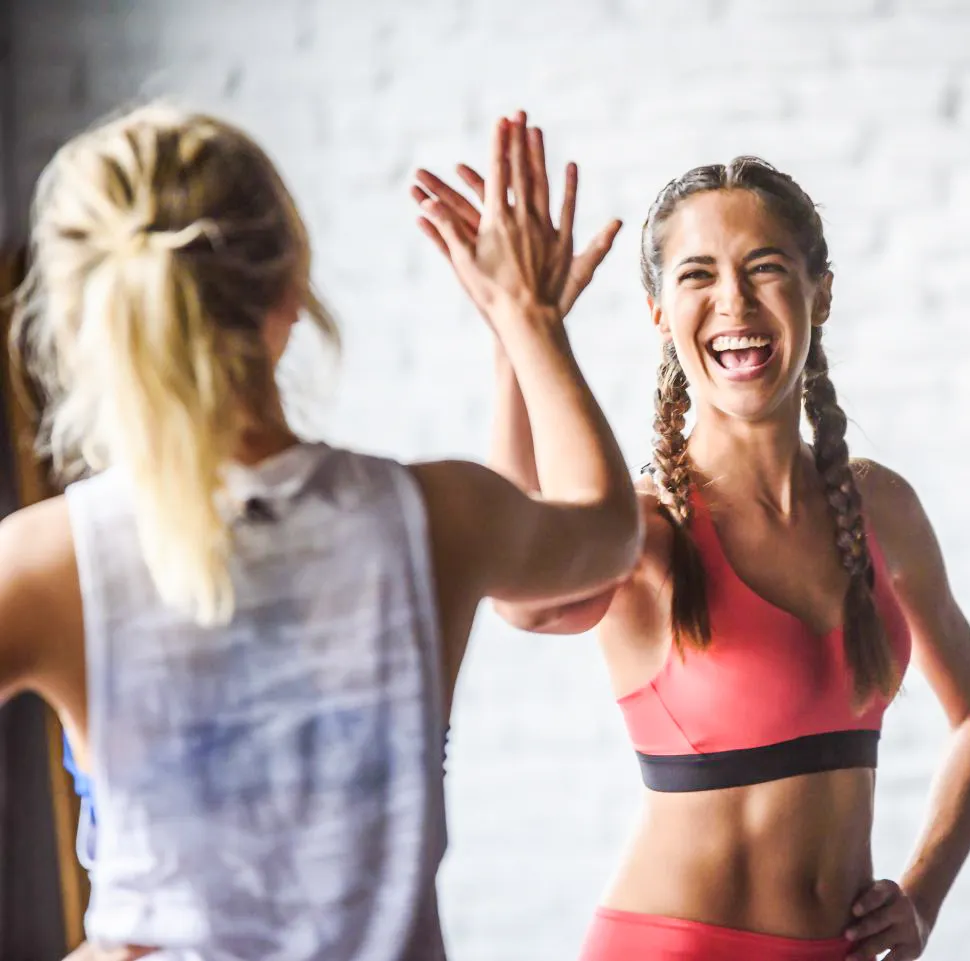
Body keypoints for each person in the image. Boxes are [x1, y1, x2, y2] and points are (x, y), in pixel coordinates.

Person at [0, 104, 640, 960]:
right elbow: (606, 526)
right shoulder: (435, 516)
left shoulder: (48, 562)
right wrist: (528, 322)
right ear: (291, 289)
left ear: (83, 322)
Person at [413, 117, 970, 961]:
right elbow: (525, 598)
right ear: (661, 314)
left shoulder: (882, 507)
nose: (733, 301)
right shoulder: (647, 529)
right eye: (699, 275)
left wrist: (922, 896)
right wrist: (521, 332)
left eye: (765, 268)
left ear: (822, 293)